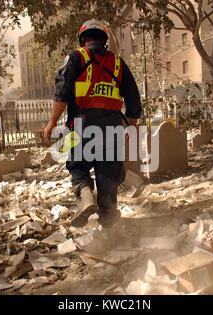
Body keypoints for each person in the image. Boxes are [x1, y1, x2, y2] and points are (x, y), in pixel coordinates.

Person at [43, 19, 142, 228]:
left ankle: (85, 194)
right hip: (112, 129)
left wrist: (51, 123)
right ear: (104, 39)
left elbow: (61, 93)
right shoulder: (118, 64)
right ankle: (109, 227)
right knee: (108, 175)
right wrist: (131, 125)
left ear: (83, 39)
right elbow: (133, 97)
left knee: (77, 166)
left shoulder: (75, 58)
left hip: (80, 126)